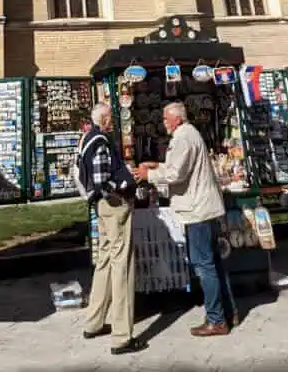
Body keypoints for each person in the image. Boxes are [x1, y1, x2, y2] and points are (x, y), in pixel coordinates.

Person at [137, 102, 236, 337]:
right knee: (213, 264)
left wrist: (148, 174)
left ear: (177, 119)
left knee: (204, 266)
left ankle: (217, 320)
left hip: (197, 210)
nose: (163, 123)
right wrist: (158, 165)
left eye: (165, 119)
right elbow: (179, 167)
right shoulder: (189, 135)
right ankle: (228, 312)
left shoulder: (183, 137)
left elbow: (175, 174)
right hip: (204, 207)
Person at [78, 103, 145, 356]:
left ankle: (94, 321)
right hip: (113, 207)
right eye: (111, 118)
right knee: (122, 264)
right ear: (104, 119)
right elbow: (101, 179)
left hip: (101, 208)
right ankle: (122, 336)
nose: (114, 122)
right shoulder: (101, 142)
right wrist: (120, 191)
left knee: (105, 260)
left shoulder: (86, 139)